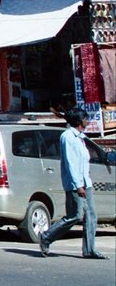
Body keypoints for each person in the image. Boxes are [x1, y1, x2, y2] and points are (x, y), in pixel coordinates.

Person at [39, 108, 108, 260]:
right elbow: (71, 163)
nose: (87, 121)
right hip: (75, 184)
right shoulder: (67, 137)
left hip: (85, 183)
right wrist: (78, 185)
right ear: (79, 121)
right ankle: (46, 237)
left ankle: (89, 250)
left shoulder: (79, 137)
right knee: (74, 216)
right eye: (85, 119)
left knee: (91, 216)